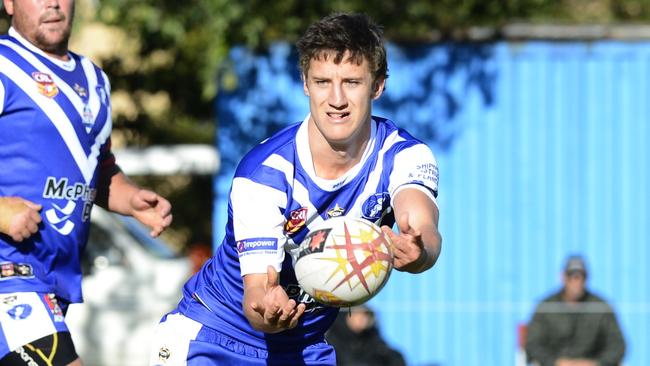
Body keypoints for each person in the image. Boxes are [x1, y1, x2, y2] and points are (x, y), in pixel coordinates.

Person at [149, 12, 441, 365]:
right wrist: (268, 309)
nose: (336, 99)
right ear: (305, 83)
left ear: (377, 85)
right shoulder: (264, 174)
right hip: (213, 338)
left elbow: (422, 224)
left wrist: (419, 250)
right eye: (322, 82)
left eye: (351, 82)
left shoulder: (404, 155)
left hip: (305, 346)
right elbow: (257, 295)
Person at [0, 1, 173, 365]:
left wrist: (130, 199)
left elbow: (99, 167)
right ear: (9, 3)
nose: (52, 3)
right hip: (11, 276)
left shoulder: (94, 80)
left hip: (54, 283)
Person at [525, 255, 626, 366]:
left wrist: (596, 363)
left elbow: (617, 345)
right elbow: (533, 345)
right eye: (572, 276)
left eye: (581, 276)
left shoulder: (601, 307)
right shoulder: (546, 307)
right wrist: (556, 362)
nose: (576, 282)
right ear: (563, 277)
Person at [326, 305, 406, 366]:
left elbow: (394, 358)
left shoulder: (373, 339)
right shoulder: (332, 339)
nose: (361, 319)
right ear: (347, 316)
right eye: (357, 315)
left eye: (365, 315)